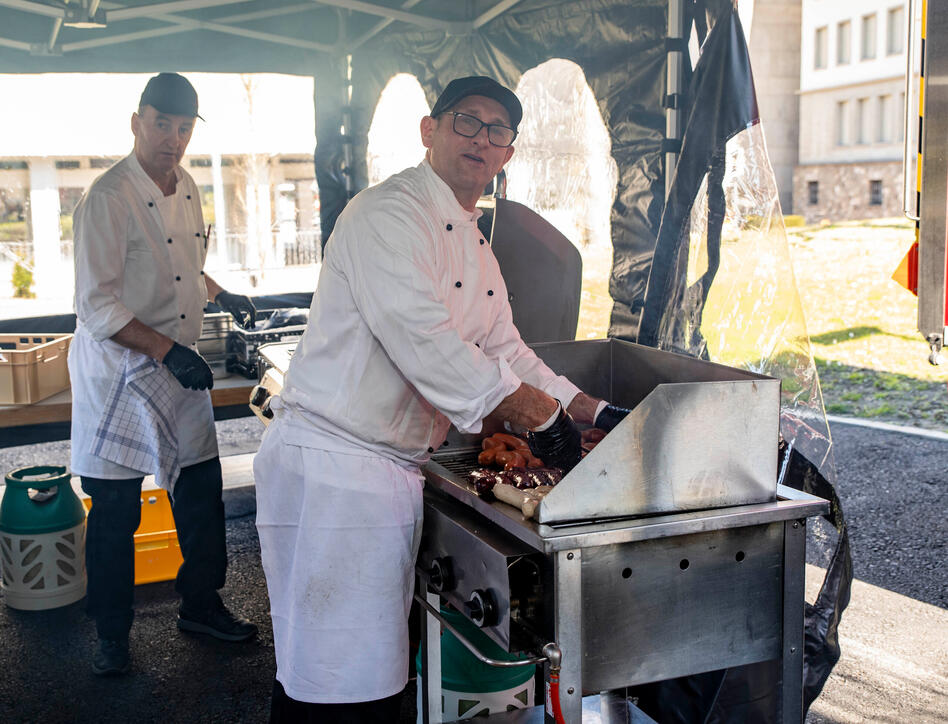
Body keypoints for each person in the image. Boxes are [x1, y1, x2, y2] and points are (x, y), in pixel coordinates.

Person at [252, 75, 629, 721]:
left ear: (509, 152)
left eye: (498, 130)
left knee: (360, 677)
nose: (481, 139)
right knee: (336, 686)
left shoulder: (475, 241)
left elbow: (507, 349)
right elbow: (425, 341)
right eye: (467, 122)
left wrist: (592, 410)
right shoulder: (386, 214)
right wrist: (545, 420)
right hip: (338, 473)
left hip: (386, 470)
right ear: (430, 131)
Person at [69, 72, 258, 677]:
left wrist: (220, 292)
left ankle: (201, 605)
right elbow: (96, 305)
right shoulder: (107, 197)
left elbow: (182, 267)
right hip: (119, 373)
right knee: (116, 511)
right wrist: (168, 350)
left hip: (177, 366)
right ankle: (111, 634)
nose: (172, 139)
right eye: (161, 125)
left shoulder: (189, 186)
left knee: (200, 492)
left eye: (183, 128)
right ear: (137, 122)